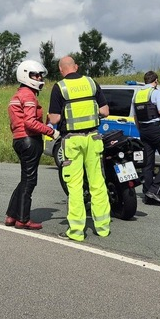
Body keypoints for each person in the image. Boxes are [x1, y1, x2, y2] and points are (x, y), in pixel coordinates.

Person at [47, 56, 110, 241]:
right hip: (93, 138)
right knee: (97, 183)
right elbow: (105, 111)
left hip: (73, 141)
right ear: (76, 67)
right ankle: (103, 227)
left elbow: (55, 120)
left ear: (61, 70)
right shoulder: (91, 83)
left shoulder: (60, 87)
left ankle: (76, 231)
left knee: (75, 186)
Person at [6, 59, 59, 230]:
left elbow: (16, 122)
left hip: (19, 139)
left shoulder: (17, 95)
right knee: (30, 181)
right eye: (35, 75)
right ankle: (23, 219)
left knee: (25, 180)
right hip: (30, 140)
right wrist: (51, 131)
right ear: (25, 75)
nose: (38, 78)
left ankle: (11, 216)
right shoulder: (29, 95)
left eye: (39, 75)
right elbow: (29, 122)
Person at [134, 70, 160, 206]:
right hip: (156, 129)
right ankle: (154, 191)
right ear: (155, 81)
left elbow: (135, 117)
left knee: (148, 163)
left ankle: (147, 192)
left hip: (143, 130)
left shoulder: (137, 94)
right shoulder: (156, 93)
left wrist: (141, 130)